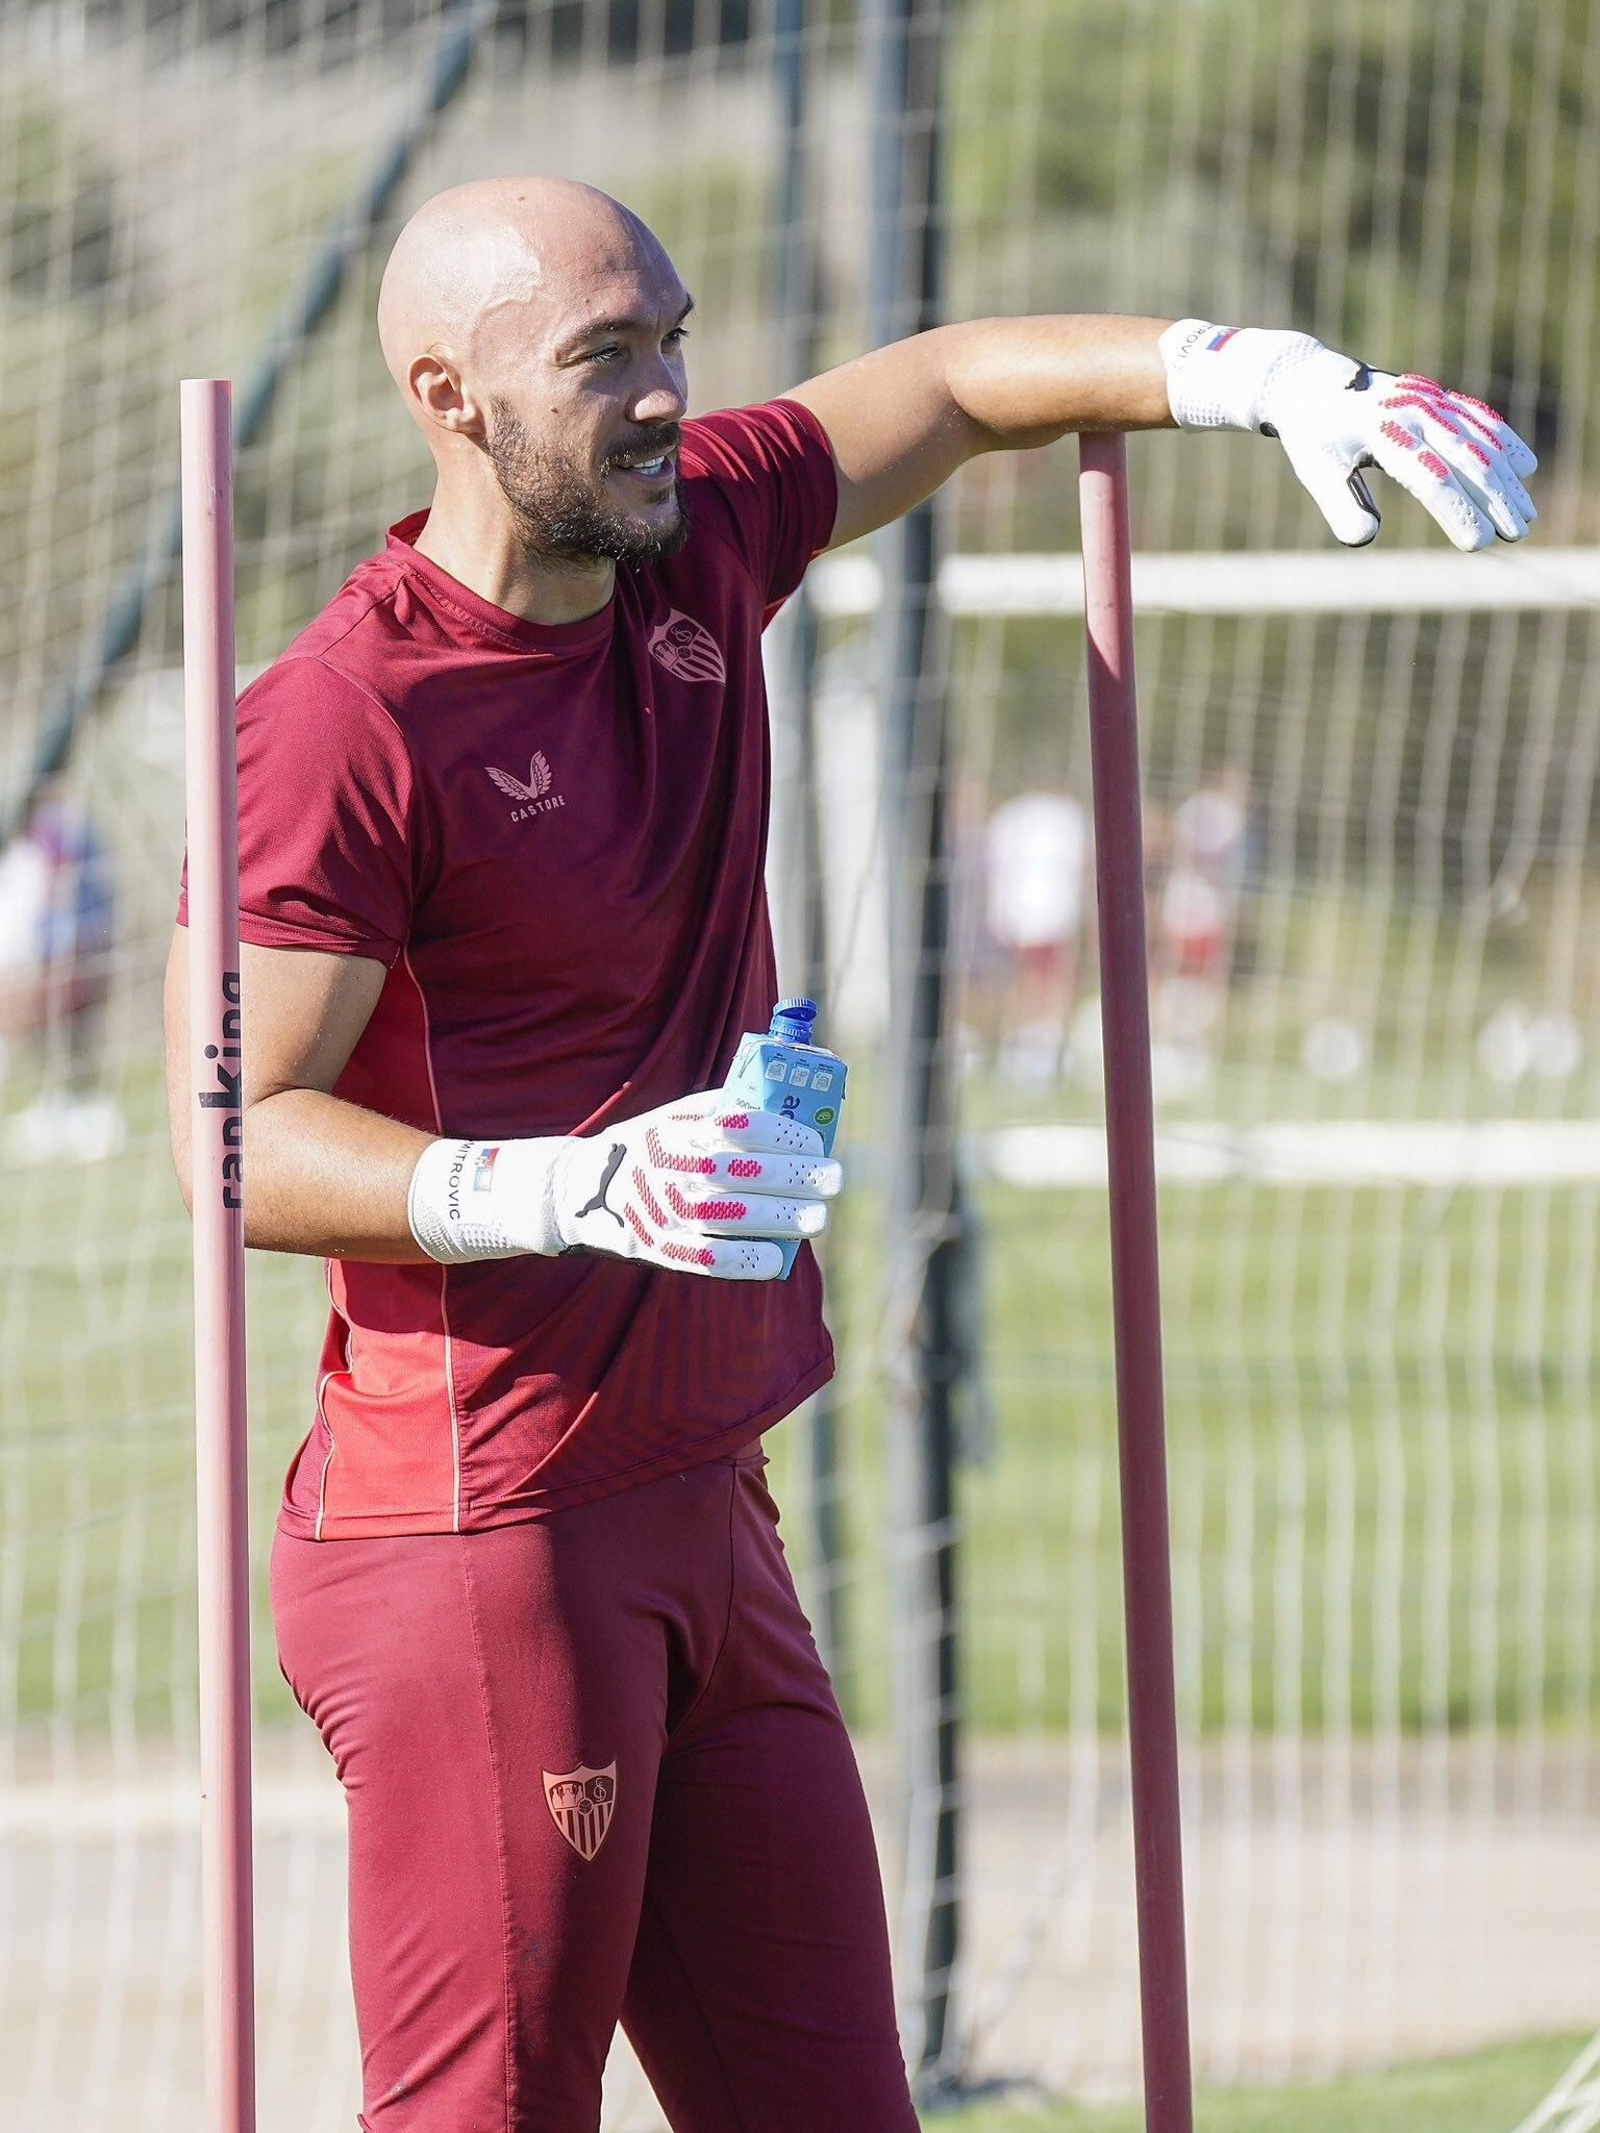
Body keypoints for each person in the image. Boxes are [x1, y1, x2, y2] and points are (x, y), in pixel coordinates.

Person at [161, 177, 1539, 2132]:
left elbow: (962, 385)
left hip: (703, 1494)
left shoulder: (693, 537)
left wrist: (1242, 372)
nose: (662, 394)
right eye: (604, 356)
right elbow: (232, 1147)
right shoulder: (337, 719)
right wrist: (562, 1183)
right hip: (484, 1541)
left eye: (673, 337)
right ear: (445, 393)